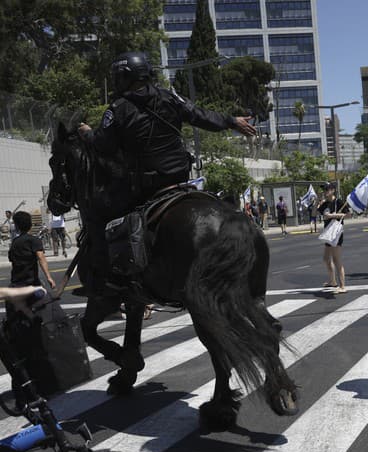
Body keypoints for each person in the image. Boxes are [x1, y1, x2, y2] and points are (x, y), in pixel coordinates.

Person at [76, 51, 256, 293]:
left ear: (126, 78)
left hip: (145, 186)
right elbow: (199, 115)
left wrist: (87, 133)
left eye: (118, 78)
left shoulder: (118, 108)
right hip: (181, 179)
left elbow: (104, 145)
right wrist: (231, 121)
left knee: (106, 219)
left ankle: (118, 278)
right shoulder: (169, 96)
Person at [8, 212, 55, 291]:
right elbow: (41, 258)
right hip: (31, 282)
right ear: (30, 225)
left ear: (17, 226)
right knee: (47, 301)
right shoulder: (34, 240)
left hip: (16, 282)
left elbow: (11, 258)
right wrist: (49, 277)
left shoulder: (14, 242)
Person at [318, 182, 348, 293]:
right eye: (324, 190)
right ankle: (332, 281)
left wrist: (332, 216)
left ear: (333, 190)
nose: (325, 191)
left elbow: (348, 214)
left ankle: (342, 286)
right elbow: (314, 213)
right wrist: (317, 201)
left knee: (336, 259)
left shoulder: (338, 202)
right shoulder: (325, 203)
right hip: (328, 233)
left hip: (336, 233)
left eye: (327, 189)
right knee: (326, 259)